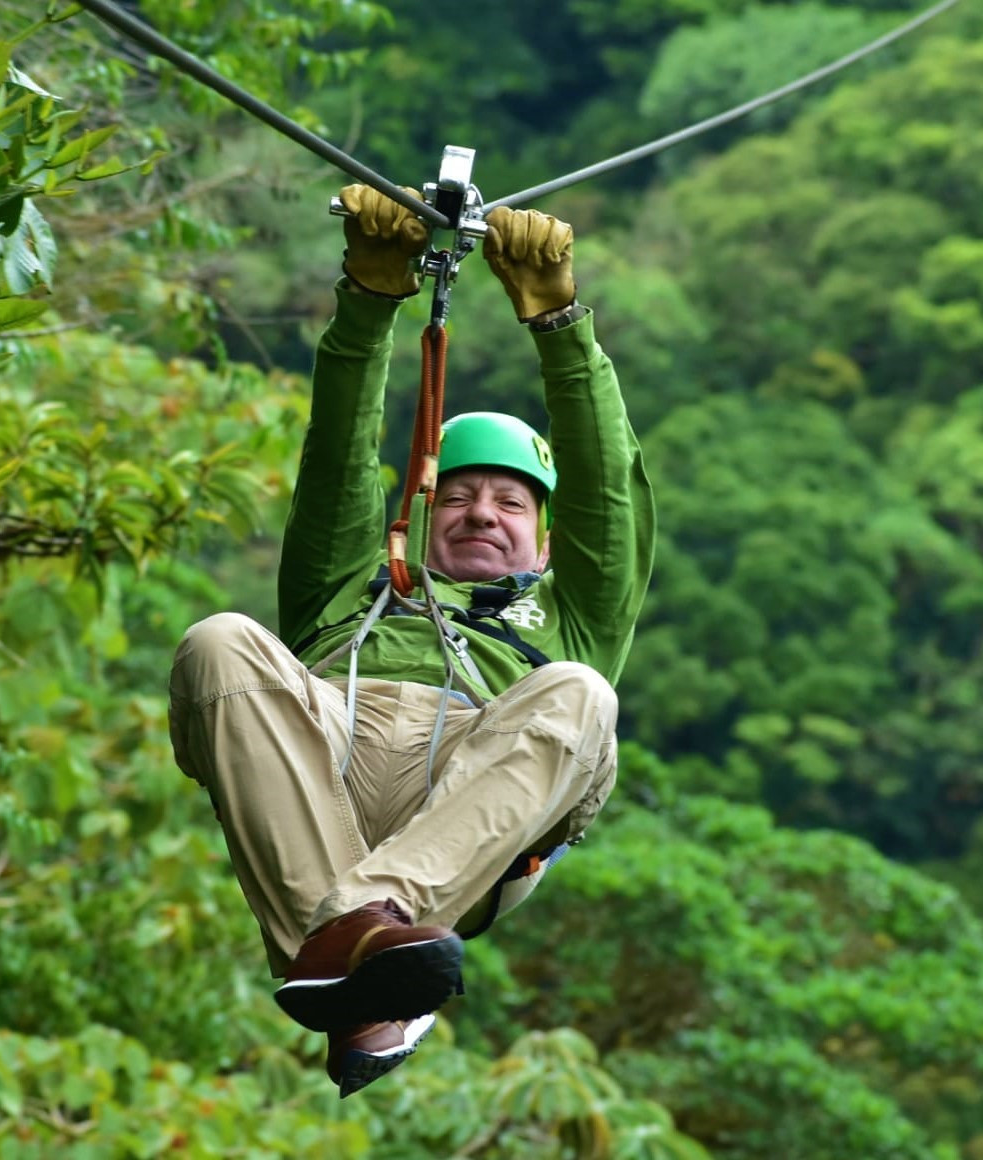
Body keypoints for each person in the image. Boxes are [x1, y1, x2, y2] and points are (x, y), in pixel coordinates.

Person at [169, 184, 655, 1096]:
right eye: (460, 496)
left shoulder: (571, 613)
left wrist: (556, 321)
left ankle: (353, 935)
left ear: (544, 540)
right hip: (326, 756)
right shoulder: (352, 589)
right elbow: (338, 458)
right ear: (417, 519)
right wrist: (371, 295)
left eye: (510, 502)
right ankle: (360, 960)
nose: (483, 512)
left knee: (584, 693)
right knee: (220, 640)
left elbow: (607, 490)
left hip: (472, 790)